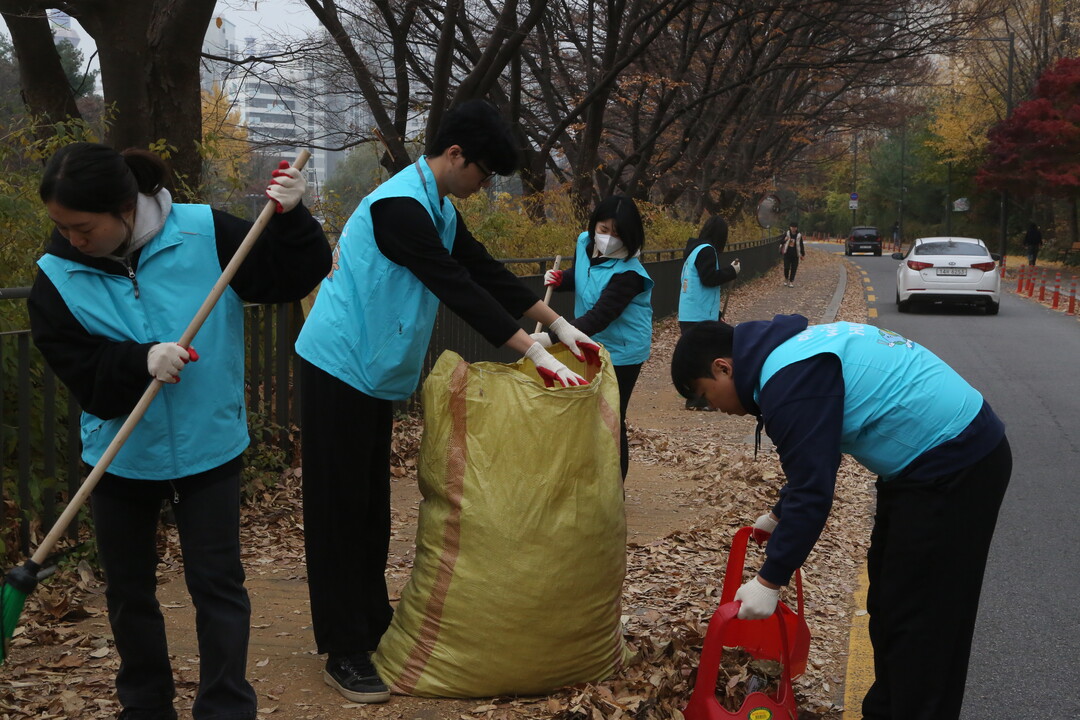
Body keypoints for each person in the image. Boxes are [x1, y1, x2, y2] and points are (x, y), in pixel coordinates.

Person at [293, 99, 601, 704]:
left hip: (373, 374)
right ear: (455, 155)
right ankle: (343, 649)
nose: (483, 186)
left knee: (370, 505)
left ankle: (370, 622)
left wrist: (559, 327)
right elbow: (452, 286)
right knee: (338, 509)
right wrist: (530, 353)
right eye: (482, 174)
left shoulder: (436, 206)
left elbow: (480, 268)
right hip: (337, 365)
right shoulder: (396, 208)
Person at [28, 142, 331, 720]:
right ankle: (146, 707)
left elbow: (290, 275)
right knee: (129, 595)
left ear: (123, 208)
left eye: (82, 227)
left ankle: (225, 707)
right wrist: (138, 361)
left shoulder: (202, 231)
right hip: (120, 458)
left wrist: (296, 218)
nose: (71, 239)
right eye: (62, 227)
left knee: (218, 586)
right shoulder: (56, 277)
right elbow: (78, 369)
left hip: (208, 445)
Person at [670, 316, 1011, 720]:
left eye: (703, 396)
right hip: (921, 470)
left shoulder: (788, 380)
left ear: (722, 367)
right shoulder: (787, 358)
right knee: (890, 600)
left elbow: (815, 491)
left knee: (924, 618)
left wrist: (769, 580)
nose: (711, 408)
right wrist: (780, 515)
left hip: (956, 465)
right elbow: (817, 453)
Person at [536, 195, 653, 479]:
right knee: (585, 410)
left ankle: (613, 490)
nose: (608, 238)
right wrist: (561, 279)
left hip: (623, 351)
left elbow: (600, 316)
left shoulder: (630, 274)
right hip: (586, 341)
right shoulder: (585, 242)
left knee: (612, 415)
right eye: (603, 229)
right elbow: (582, 275)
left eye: (617, 233)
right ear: (594, 226)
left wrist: (549, 339)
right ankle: (588, 480)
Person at [678, 215, 740, 410]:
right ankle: (699, 399)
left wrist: (717, 312)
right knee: (704, 359)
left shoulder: (693, 251)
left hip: (690, 311)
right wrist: (732, 271)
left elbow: (699, 286)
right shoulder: (707, 251)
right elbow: (709, 278)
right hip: (699, 315)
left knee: (695, 357)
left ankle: (696, 398)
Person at [779, 222, 804, 287]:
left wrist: (802, 254)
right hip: (787, 253)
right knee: (786, 267)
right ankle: (786, 278)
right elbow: (781, 241)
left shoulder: (799, 235)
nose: (793, 229)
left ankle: (791, 281)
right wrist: (785, 240)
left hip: (795, 254)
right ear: (790, 227)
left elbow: (801, 244)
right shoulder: (787, 234)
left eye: (795, 227)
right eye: (792, 227)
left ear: (796, 228)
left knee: (794, 268)